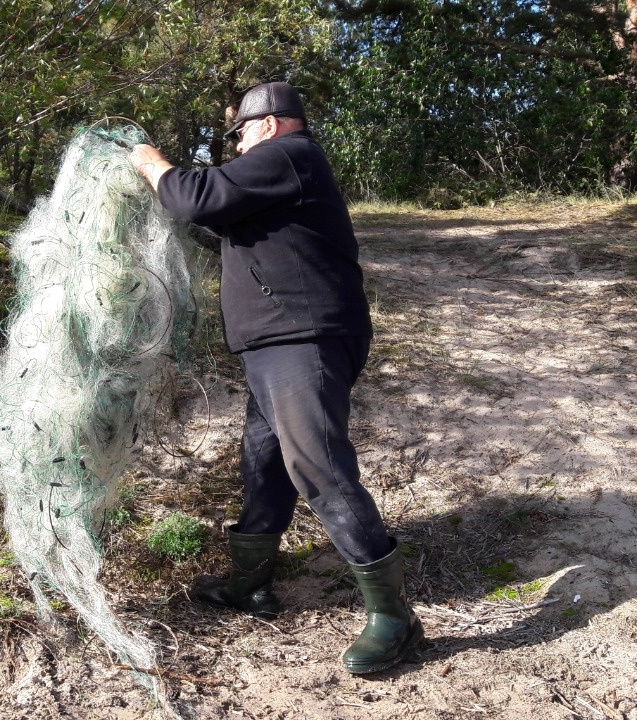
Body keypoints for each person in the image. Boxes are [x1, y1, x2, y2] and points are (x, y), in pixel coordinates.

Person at [129, 81, 422, 674]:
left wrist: (149, 160)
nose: (236, 147)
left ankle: (397, 617)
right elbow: (212, 220)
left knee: (318, 466)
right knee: (263, 462)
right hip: (274, 342)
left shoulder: (292, 155)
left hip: (303, 338)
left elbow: (196, 199)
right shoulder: (281, 176)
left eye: (239, 133)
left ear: (268, 124)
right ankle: (250, 585)